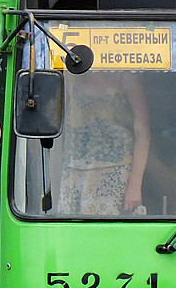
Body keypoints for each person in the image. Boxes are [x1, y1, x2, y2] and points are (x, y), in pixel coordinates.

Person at [56, 70, 150, 215]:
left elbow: (142, 131)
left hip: (115, 178)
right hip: (75, 176)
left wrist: (135, 185)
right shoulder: (70, 73)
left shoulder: (126, 77)